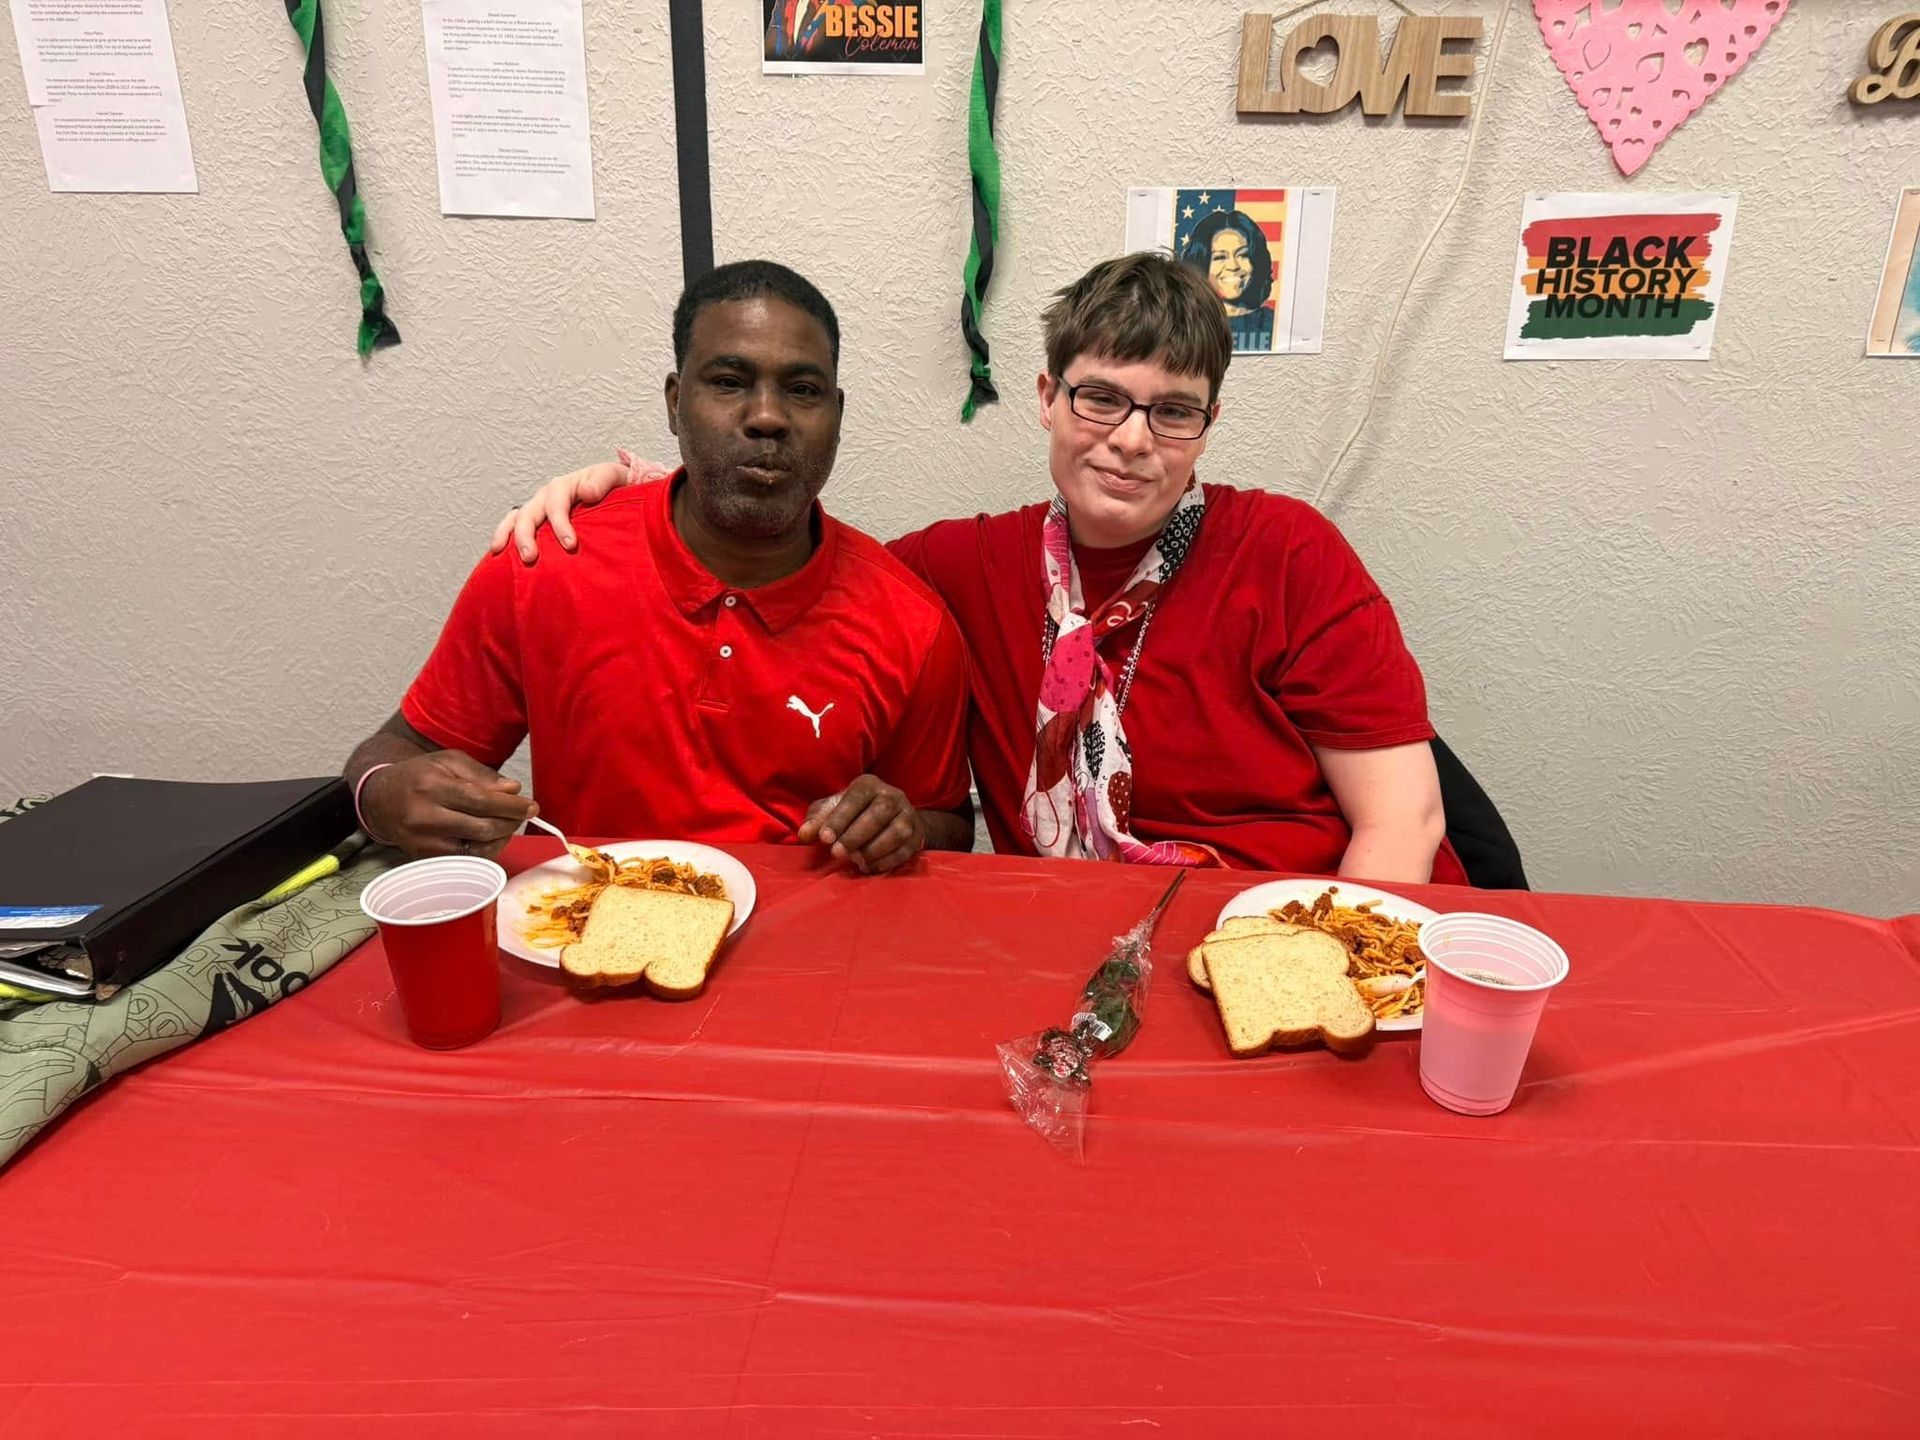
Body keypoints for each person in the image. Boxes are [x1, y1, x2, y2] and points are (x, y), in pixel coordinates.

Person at [488, 253, 1467, 884]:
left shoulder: (1290, 553)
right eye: (1100, 399)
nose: (1132, 440)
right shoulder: (964, 568)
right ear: (1044, 395)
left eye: (1173, 410)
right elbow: (793, 545)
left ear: (1208, 425)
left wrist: (1320, 969)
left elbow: (1403, 822)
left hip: (1291, 925)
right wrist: (636, 482)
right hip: (1079, 950)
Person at [345, 260, 974, 875]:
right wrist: (384, 795)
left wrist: (905, 827)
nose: (767, 416)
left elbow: (945, 821)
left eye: (802, 390)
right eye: (729, 381)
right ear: (676, 403)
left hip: (815, 961)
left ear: (837, 418)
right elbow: (400, 750)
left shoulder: (913, 625)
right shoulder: (544, 563)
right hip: (579, 941)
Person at [1180, 209, 1275, 354]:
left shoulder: (1273, 323)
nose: (1233, 266)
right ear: (1201, 264)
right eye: (1220, 257)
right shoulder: (1180, 323)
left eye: (1243, 255)